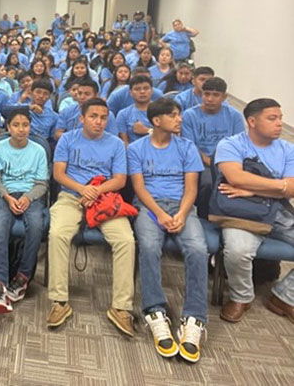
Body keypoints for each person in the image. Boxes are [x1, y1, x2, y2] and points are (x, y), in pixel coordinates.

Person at [47, 98, 136, 335]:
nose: (99, 122)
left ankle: (120, 307)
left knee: (126, 240)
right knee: (57, 234)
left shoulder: (116, 144)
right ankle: (59, 301)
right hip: (71, 195)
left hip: (104, 198)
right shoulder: (67, 139)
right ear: (82, 118)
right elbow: (59, 174)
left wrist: (95, 190)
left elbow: (120, 180)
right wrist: (82, 189)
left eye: (103, 117)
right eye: (93, 116)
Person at [128, 98, 208, 362]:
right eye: (173, 115)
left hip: (182, 207)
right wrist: (160, 214)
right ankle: (155, 311)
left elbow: (192, 188)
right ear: (156, 120)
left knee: (198, 249)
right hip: (150, 207)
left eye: (179, 114)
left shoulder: (187, 147)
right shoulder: (137, 148)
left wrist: (181, 214)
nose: (179, 119)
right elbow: (139, 189)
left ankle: (194, 317)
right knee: (149, 247)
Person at [214, 98, 294, 323]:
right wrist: (280, 186)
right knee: (237, 251)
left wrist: (254, 189)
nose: (279, 123)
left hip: (278, 211)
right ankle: (242, 297)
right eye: (272, 118)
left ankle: (285, 296)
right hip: (242, 212)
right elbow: (235, 178)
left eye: (280, 118)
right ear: (252, 121)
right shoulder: (231, 144)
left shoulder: (288, 149)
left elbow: (292, 188)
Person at [0, 108, 49, 314]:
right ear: (8, 127)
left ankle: (22, 278)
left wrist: (27, 197)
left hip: (31, 194)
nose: (21, 129)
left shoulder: (39, 150)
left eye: (25, 125)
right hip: (5, 194)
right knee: (1, 225)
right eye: (16, 125)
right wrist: (7, 196)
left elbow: (42, 184)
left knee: (36, 225)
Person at [181, 77, 245, 217]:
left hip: (228, 161)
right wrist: (211, 162)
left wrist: (225, 164)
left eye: (215, 95)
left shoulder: (234, 115)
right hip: (201, 162)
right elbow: (190, 146)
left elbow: (239, 145)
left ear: (224, 97)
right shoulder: (189, 115)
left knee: (240, 182)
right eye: (206, 94)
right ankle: (204, 216)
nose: (210, 99)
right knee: (208, 183)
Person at [54, 78, 119, 141]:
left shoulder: (107, 114)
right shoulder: (66, 111)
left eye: (87, 94)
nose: (82, 97)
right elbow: (57, 134)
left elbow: (113, 138)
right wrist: (78, 140)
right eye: (80, 93)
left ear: (96, 95)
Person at [116, 76, 153, 145]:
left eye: (146, 88)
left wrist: (147, 131)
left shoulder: (163, 111)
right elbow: (124, 143)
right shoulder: (123, 114)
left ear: (152, 91)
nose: (142, 92)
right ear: (130, 92)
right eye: (137, 89)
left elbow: (170, 136)